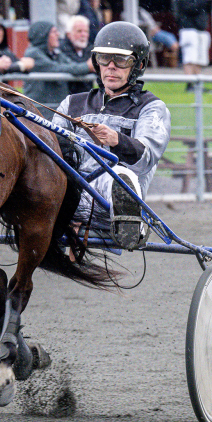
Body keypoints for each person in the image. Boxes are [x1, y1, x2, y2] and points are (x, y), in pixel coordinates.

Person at [52, 22, 171, 249]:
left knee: (116, 173)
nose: (111, 67)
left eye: (121, 60)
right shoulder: (72, 103)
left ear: (139, 64)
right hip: (69, 195)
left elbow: (147, 157)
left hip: (109, 203)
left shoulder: (152, 108)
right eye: (104, 59)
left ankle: (130, 222)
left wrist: (116, 140)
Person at [22, 20, 93, 114]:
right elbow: (56, 68)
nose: (58, 35)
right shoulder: (33, 53)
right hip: (41, 112)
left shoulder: (55, 52)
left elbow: (71, 65)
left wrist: (90, 66)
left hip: (55, 111)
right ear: (43, 35)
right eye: (54, 32)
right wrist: (87, 66)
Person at [175, 0, 212, 92]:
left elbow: (208, 9)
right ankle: (189, 84)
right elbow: (188, 8)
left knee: (200, 58)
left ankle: (198, 84)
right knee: (189, 57)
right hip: (188, 28)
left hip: (201, 29)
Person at [59, 15, 94, 94]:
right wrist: (88, 67)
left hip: (86, 96)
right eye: (79, 31)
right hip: (67, 96)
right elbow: (74, 67)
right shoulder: (61, 48)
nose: (83, 35)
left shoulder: (90, 48)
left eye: (86, 31)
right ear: (68, 34)